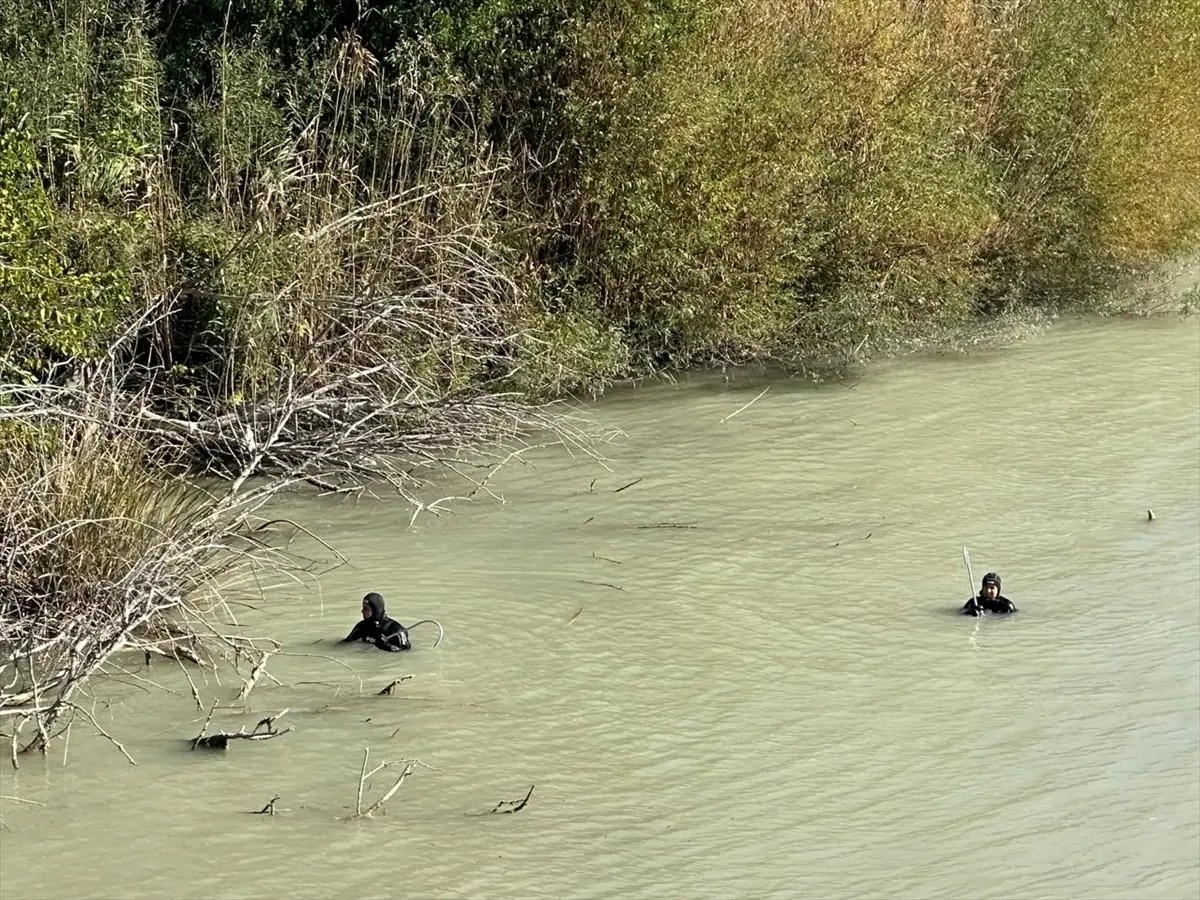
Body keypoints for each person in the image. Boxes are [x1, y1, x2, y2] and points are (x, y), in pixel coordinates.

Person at [342, 592, 412, 652]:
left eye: (365, 608)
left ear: (375, 610)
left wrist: (387, 646)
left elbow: (405, 653)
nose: (362, 611)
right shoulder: (361, 627)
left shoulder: (397, 631)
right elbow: (344, 644)